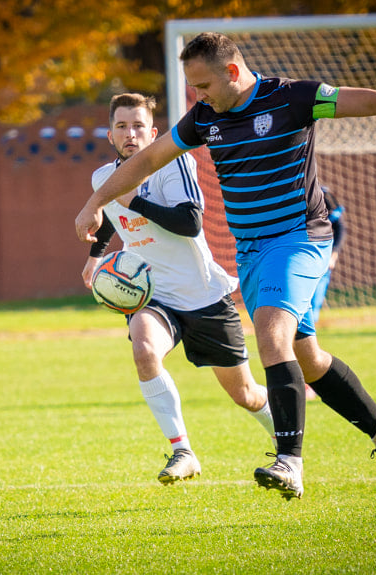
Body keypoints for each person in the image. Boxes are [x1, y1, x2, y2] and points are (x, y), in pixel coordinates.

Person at [76, 32, 376, 499]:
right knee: (308, 359)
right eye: (193, 88)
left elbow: (370, 101)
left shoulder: (293, 98)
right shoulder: (205, 119)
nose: (197, 97)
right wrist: (95, 202)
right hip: (250, 251)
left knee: (271, 333)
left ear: (232, 72)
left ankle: (289, 461)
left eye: (203, 85)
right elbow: (148, 159)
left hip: (298, 239)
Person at [83, 93, 276, 484]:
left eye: (138, 126)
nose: (130, 133)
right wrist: (95, 254)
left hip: (204, 295)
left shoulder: (174, 164)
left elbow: (190, 222)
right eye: (122, 126)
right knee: (144, 349)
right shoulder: (103, 179)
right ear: (110, 135)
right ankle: (182, 450)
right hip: (154, 295)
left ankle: (287, 441)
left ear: (153, 133)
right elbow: (108, 217)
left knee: (246, 395)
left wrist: (135, 199)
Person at [305, 185, 346, 400]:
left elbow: (340, 228)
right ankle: (303, 379)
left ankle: (308, 379)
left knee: (309, 318)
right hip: (301, 265)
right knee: (300, 319)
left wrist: (334, 254)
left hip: (320, 268)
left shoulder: (326, 200)